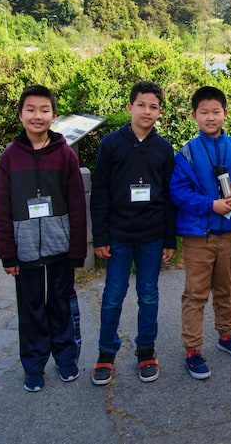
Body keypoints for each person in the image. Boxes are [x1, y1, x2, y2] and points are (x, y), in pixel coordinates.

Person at [0, 85, 87, 392]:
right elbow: (2, 206)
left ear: (54, 116)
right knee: (31, 308)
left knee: (61, 304)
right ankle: (33, 365)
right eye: (31, 109)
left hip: (60, 246)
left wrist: (77, 250)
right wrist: (8, 253)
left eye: (44, 110)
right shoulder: (10, 157)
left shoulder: (64, 155)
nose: (38, 115)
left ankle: (65, 358)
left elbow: (76, 204)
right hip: (24, 250)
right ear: (21, 115)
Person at [170, 86, 231, 380]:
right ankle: (193, 350)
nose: (211, 118)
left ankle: (226, 336)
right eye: (204, 113)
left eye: (216, 112)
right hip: (200, 235)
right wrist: (211, 204)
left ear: (225, 113)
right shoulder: (186, 153)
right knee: (195, 294)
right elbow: (178, 193)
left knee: (226, 287)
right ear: (194, 116)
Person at [90, 81, 176, 385]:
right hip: (118, 236)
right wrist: (99, 236)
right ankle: (105, 353)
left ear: (159, 113)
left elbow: (168, 196)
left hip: (152, 236)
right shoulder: (111, 144)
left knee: (149, 295)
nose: (147, 111)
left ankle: (146, 351)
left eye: (153, 107)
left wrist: (169, 238)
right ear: (129, 107)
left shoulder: (165, 148)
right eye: (141, 105)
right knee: (113, 296)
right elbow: (99, 193)